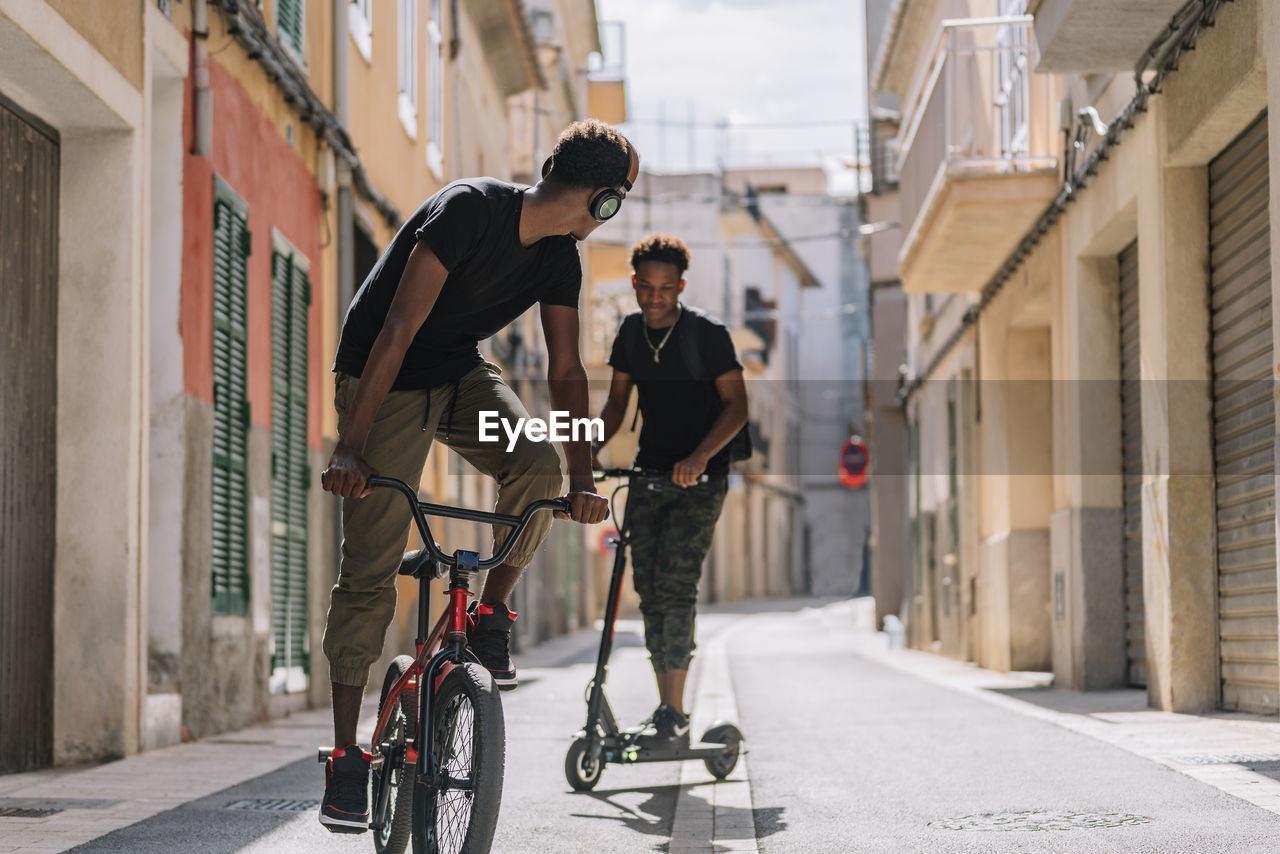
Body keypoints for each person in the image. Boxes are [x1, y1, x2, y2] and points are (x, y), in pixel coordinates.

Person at [316, 119, 638, 833]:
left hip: (459, 375)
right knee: (368, 566)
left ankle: (491, 612)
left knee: (536, 465)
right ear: (604, 200)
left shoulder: (560, 258)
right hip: (383, 379)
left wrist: (580, 480)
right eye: (622, 198)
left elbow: (563, 371)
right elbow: (397, 326)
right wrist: (352, 447)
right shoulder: (469, 208)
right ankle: (345, 754)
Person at [594, 233, 749, 748]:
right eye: (646, 286)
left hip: (701, 478)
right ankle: (670, 712)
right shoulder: (631, 334)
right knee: (649, 591)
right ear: (635, 284)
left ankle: (674, 711)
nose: (655, 297)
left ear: (680, 286)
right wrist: (588, 453)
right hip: (650, 471)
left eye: (666, 288)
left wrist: (699, 456)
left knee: (676, 586)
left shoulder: (707, 334)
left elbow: (737, 407)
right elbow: (616, 406)